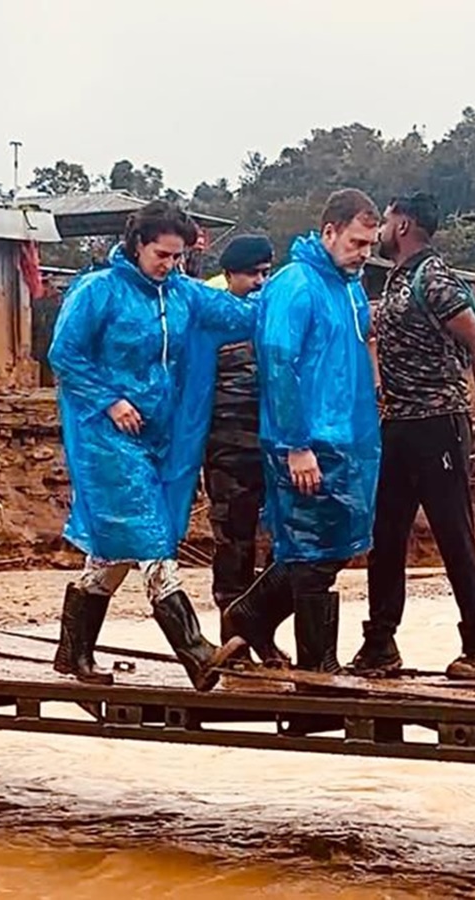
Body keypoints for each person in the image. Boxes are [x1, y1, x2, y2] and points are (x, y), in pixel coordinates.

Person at [48, 201, 257, 689]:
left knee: (113, 553)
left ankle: (72, 652)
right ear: (137, 246)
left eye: (178, 257)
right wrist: (110, 400)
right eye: (162, 254)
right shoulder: (99, 291)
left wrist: (286, 298)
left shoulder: (183, 294)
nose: (170, 265)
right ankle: (195, 652)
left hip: (157, 436)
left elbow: (241, 316)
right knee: (152, 537)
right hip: (106, 437)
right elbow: (65, 354)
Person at [218, 189, 382, 673]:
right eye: (356, 242)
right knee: (311, 555)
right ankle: (317, 665)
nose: (364, 254)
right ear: (329, 232)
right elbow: (278, 363)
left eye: (370, 244)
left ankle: (250, 616)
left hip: (350, 439)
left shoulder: (349, 287)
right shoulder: (295, 285)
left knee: (332, 551)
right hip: (305, 441)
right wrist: (295, 444)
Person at [347, 191, 475, 680]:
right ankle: (380, 643)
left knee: (453, 533)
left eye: (388, 218)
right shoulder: (396, 281)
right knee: (387, 537)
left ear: (403, 225)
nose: (380, 227)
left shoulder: (433, 279)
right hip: (399, 425)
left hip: (438, 424)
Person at [201, 235, 276, 622]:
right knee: (234, 541)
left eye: (265, 273)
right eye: (251, 274)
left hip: (270, 445)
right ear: (229, 274)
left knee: (278, 544)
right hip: (226, 450)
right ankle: (234, 634)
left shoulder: (271, 314)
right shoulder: (210, 317)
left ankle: (259, 627)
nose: (260, 282)